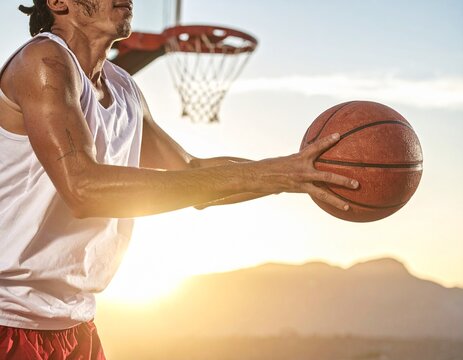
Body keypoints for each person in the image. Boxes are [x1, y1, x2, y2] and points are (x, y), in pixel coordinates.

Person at [0, 0, 358, 358]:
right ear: (58, 2)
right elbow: (85, 189)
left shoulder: (122, 87)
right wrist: (271, 174)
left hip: (72, 321)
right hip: (8, 320)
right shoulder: (43, 63)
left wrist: (297, 173)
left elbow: (192, 172)